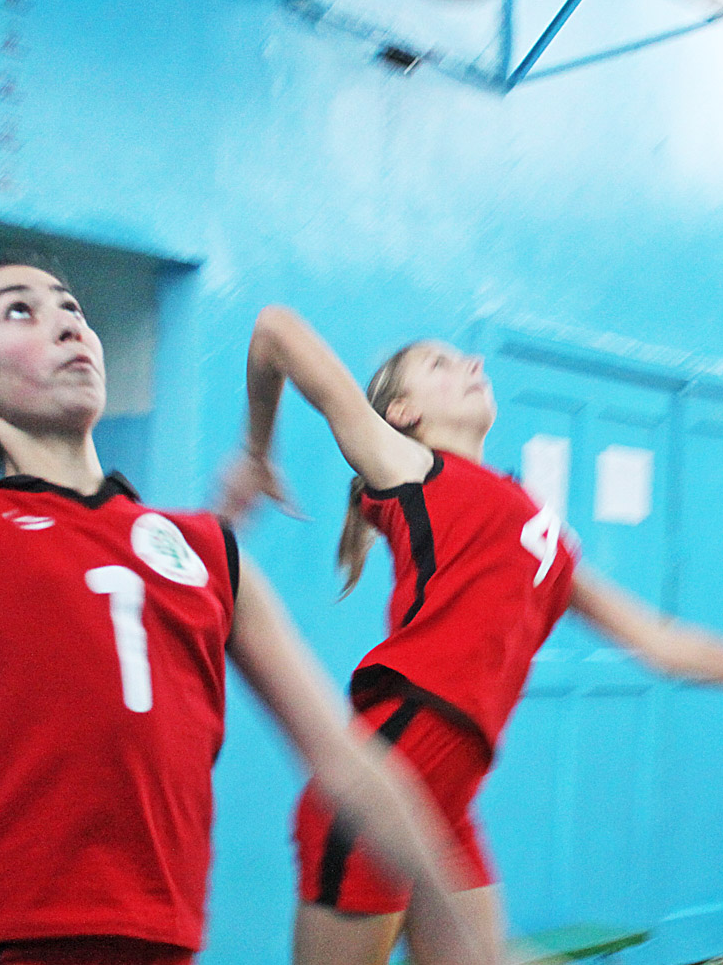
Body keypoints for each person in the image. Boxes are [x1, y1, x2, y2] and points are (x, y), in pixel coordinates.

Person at [0, 261, 490, 965]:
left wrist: (449, 911)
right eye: (20, 310)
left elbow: (345, 759)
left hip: (160, 945)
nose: (67, 324)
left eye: (72, 307)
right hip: (1, 943)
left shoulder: (208, 552)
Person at [219, 304, 723, 965]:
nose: (473, 365)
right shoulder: (408, 466)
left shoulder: (539, 527)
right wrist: (257, 453)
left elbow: (660, 642)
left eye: (464, 359)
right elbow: (275, 330)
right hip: (388, 774)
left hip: (449, 800)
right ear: (401, 413)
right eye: (441, 364)